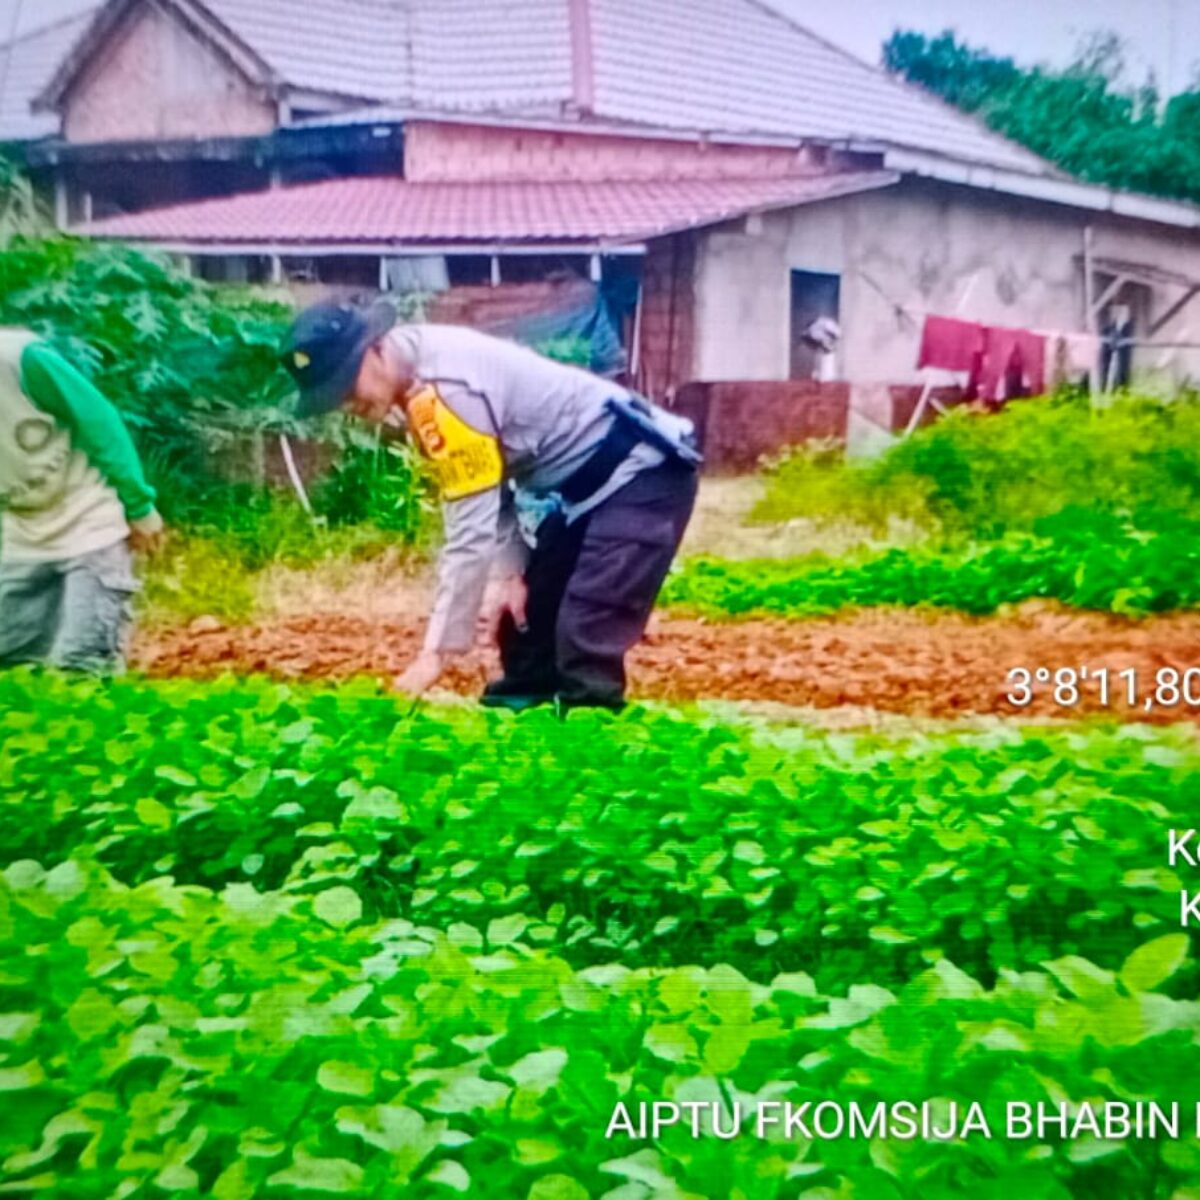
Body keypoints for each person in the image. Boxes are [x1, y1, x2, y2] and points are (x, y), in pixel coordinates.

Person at [281, 299, 700, 711]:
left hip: (645, 474)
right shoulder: (413, 380)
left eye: (345, 385)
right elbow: (488, 481)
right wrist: (512, 571)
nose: (347, 404)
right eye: (333, 398)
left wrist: (437, 654)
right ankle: (519, 744)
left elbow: (470, 530)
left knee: (584, 631)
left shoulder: (445, 392)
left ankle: (589, 751)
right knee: (526, 627)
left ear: (375, 349)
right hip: (586, 491)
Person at [0, 328, 165, 673]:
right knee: (11, 664)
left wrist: (138, 505)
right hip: (20, 532)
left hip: (87, 519)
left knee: (85, 663)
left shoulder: (21, 359)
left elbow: (99, 420)